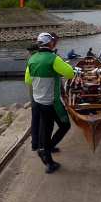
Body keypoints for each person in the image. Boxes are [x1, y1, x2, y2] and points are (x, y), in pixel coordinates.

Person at [25, 32, 74, 174]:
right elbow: (70, 73)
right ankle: (45, 151)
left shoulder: (33, 59)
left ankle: (50, 163)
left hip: (38, 101)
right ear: (51, 43)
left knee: (47, 129)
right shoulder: (54, 58)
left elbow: (28, 80)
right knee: (65, 126)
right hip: (52, 102)